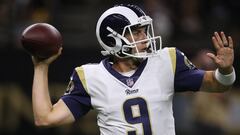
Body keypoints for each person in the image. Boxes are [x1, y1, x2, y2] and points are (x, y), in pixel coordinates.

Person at [31, 4, 235, 135]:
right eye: (135, 33)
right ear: (113, 40)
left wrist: (225, 71)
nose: (144, 38)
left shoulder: (166, 61)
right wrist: (41, 68)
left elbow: (218, 85)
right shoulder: (90, 77)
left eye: (144, 31)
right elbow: (44, 118)